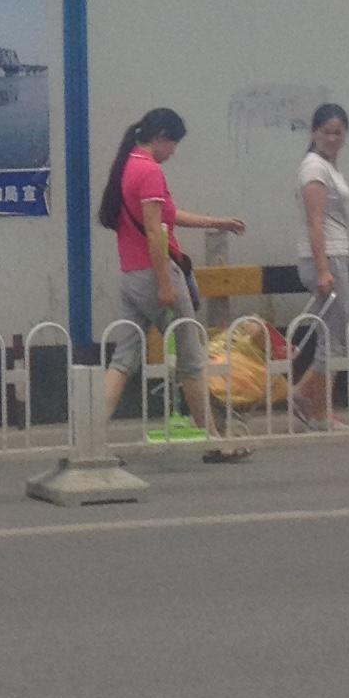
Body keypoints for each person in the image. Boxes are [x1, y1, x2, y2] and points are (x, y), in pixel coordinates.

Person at [96, 107, 252, 457]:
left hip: (130, 276)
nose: (173, 153)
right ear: (162, 136)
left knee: (123, 359)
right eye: (173, 144)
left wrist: (219, 222)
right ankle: (214, 441)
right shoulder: (149, 171)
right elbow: (156, 231)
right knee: (192, 359)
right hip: (156, 275)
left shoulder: (127, 165)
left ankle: (91, 439)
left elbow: (167, 215)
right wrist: (165, 283)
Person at [293, 103, 349, 429]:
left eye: (338, 132)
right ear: (314, 132)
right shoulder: (314, 169)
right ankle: (315, 407)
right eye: (326, 132)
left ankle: (310, 399)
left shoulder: (328, 167)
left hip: (338, 256)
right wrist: (323, 270)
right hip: (326, 258)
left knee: (345, 334)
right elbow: (315, 222)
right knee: (342, 335)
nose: (333, 138)